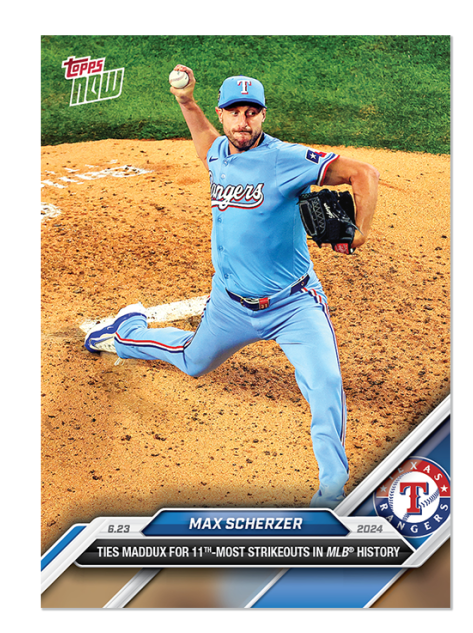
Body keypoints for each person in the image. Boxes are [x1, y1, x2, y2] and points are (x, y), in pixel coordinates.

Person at [84, 66, 380, 508]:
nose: (244, 121)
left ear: (263, 116)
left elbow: (364, 173)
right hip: (230, 304)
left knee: (325, 381)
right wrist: (185, 100)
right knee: (193, 362)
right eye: (235, 112)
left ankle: (332, 490)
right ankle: (127, 331)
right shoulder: (218, 153)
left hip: (293, 305)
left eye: (252, 112)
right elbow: (204, 140)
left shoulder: (285, 158)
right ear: (222, 114)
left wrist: (360, 232)